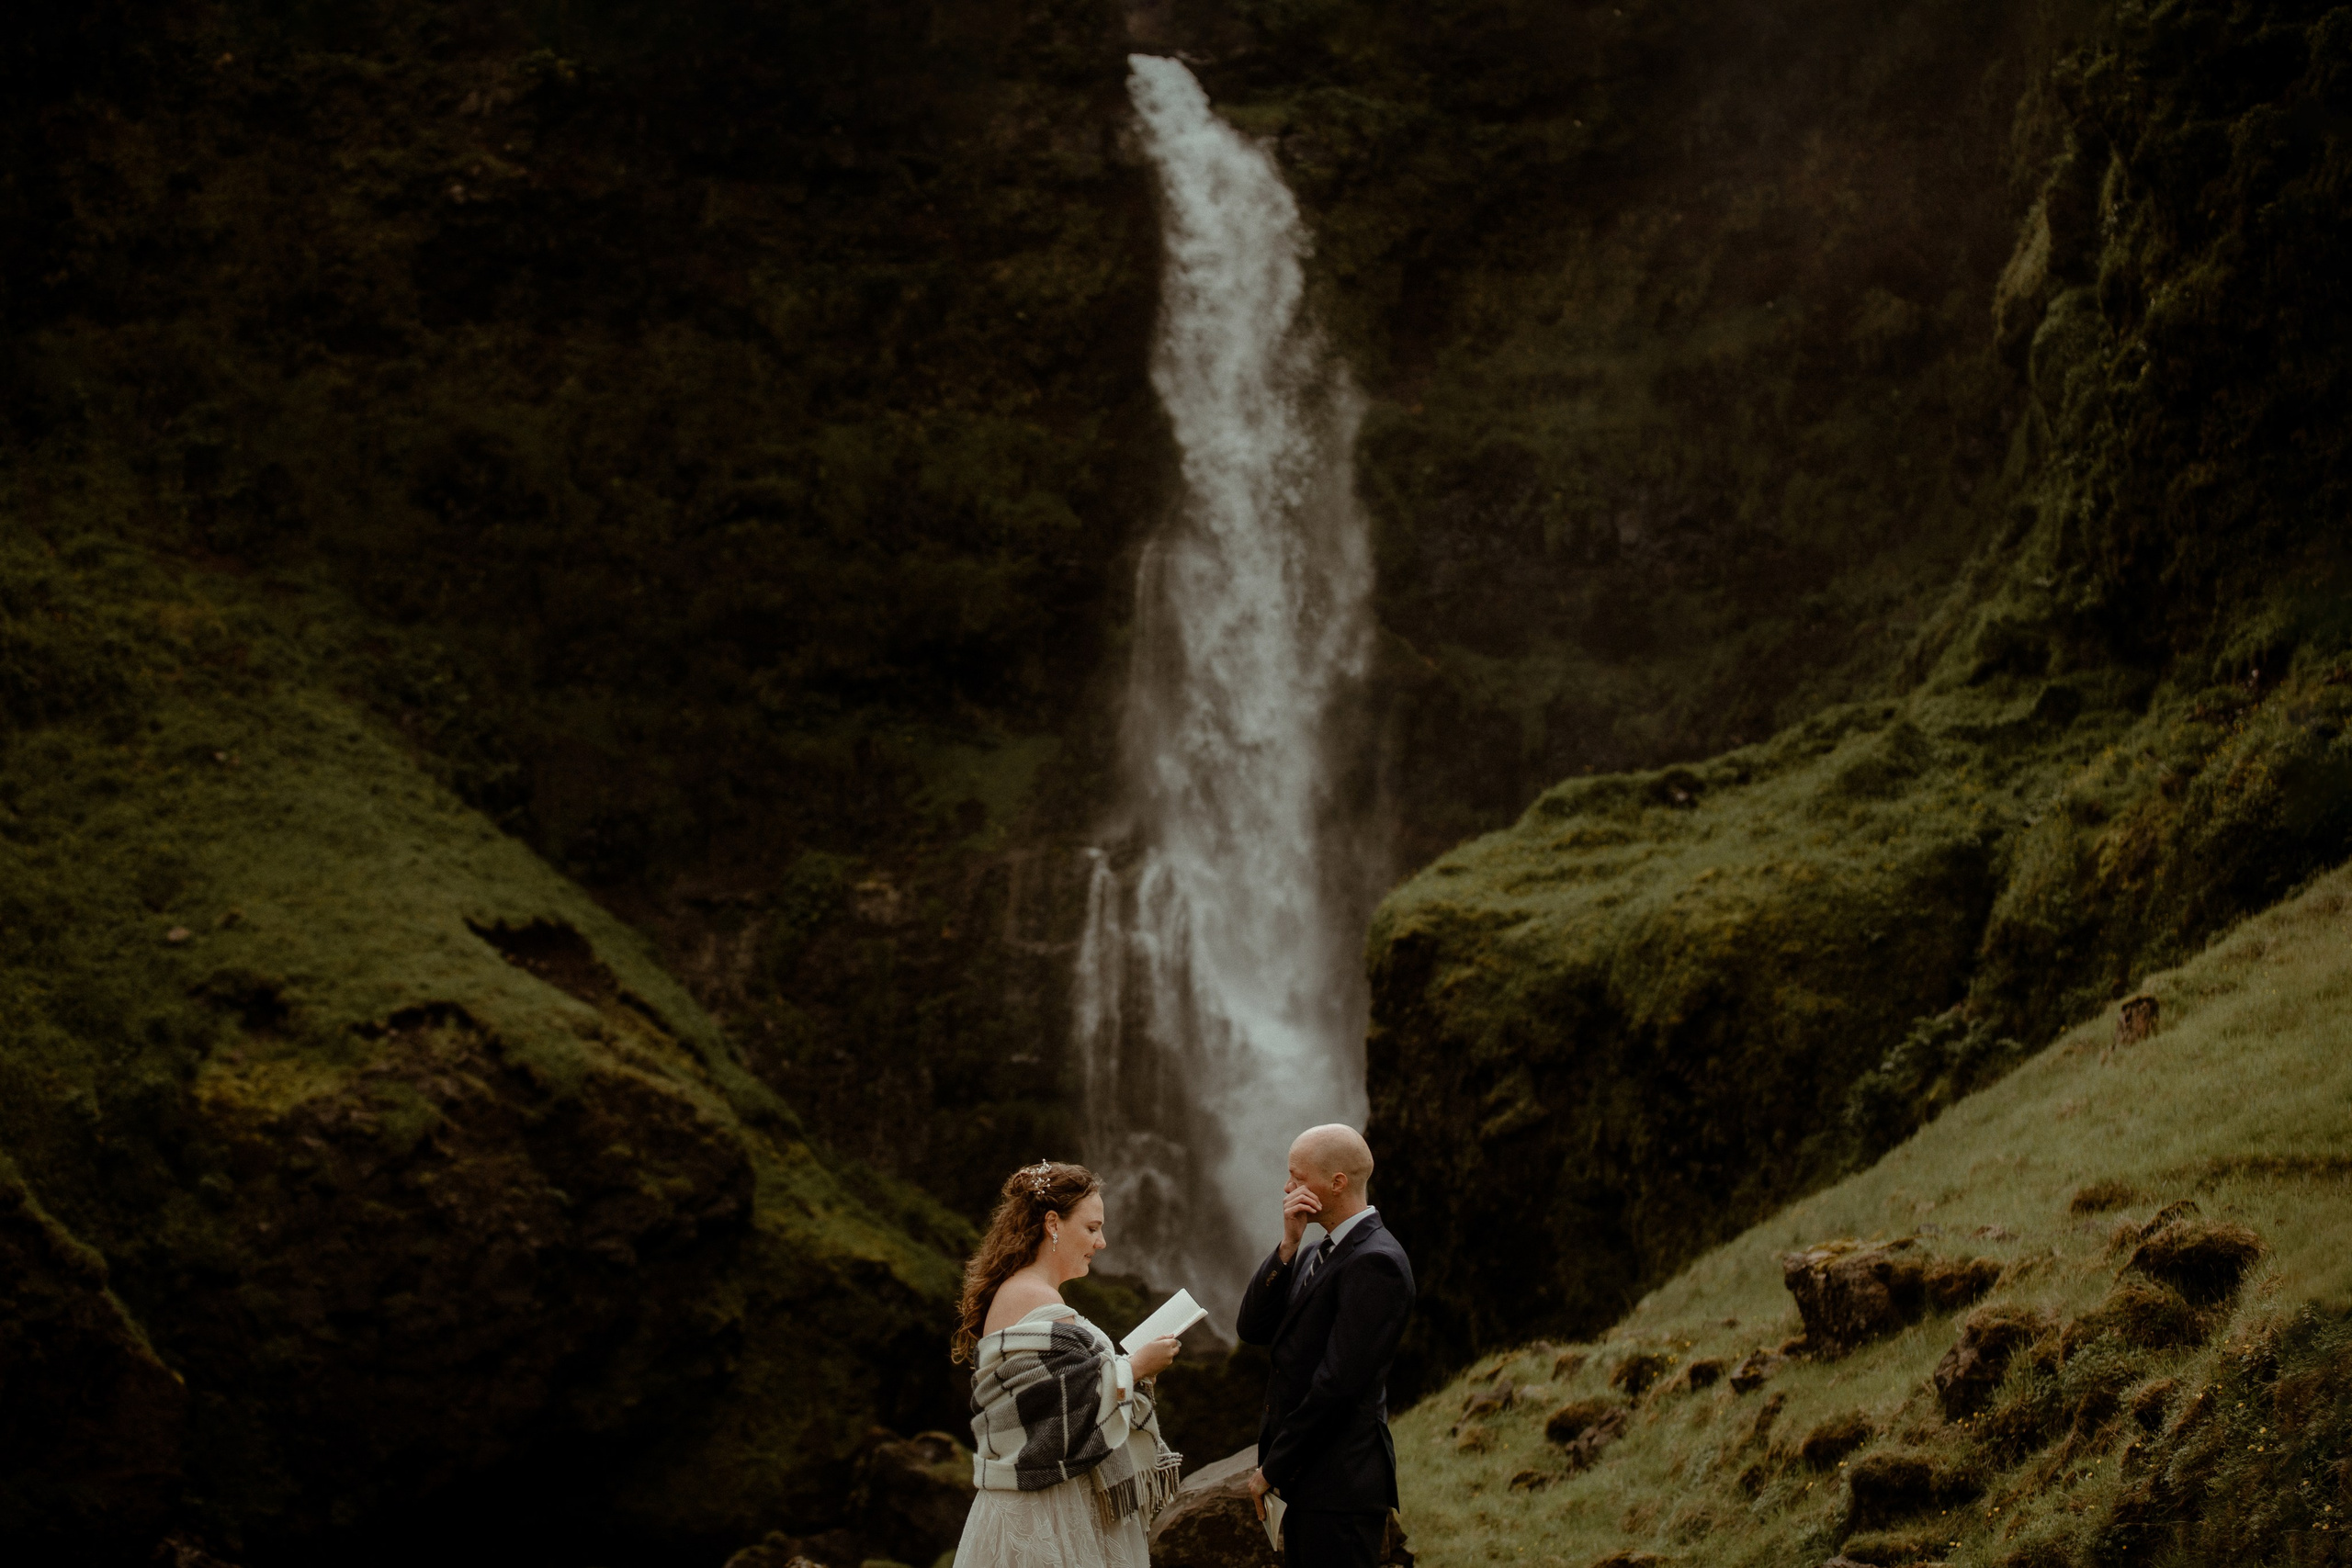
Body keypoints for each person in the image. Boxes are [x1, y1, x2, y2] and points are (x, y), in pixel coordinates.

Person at [952, 1160, 1187, 1568]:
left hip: (1034, 1496)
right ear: (1052, 1224)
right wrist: (1136, 1367)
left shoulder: (1022, 1291)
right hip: (1047, 1507)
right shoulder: (1035, 1298)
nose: (1102, 1242)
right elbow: (1066, 1410)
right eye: (1092, 1228)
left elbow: (1057, 1396)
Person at [1237, 1125, 1416, 1568]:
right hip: (1311, 1483)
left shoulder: (1376, 1261)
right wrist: (1288, 1244)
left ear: (1337, 1182)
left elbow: (1338, 1384)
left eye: (1297, 1178)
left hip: (1340, 1489)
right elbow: (1252, 1328)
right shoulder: (1317, 1250)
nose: (1287, 1188)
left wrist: (1273, 1468)